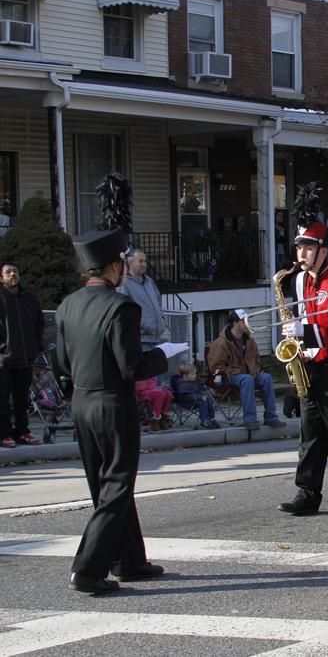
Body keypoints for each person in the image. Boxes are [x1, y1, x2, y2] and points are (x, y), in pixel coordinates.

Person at [56, 226, 187, 594]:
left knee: (106, 484)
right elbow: (132, 366)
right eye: (123, 264)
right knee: (117, 485)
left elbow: (62, 361)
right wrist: (163, 355)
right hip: (114, 402)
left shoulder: (67, 305)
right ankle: (88, 568)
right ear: (114, 266)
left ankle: (127, 560)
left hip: (82, 402)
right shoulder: (120, 306)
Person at [277, 219, 328, 516]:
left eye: (309, 248)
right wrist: (297, 341)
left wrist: (304, 333)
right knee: (309, 432)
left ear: (324, 251)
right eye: (299, 247)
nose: (301, 253)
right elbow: (302, 317)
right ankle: (307, 492)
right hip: (311, 363)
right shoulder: (300, 280)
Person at [207, 309, 284, 431]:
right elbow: (215, 367)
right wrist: (234, 372)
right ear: (235, 323)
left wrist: (256, 369)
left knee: (266, 378)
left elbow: (257, 359)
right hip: (227, 378)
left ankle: (271, 417)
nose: (247, 324)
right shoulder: (221, 343)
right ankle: (250, 420)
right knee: (247, 379)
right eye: (244, 321)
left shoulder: (249, 340)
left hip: (248, 375)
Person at [0, 263, 43, 448]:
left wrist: (36, 346)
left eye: (15, 271)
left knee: (22, 399)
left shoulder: (30, 299)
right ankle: (4, 434)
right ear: (1, 278)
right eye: (8, 272)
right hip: (4, 360)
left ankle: (22, 432)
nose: (12, 275)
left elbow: (39, 323)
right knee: (2, 400)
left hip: (26, 359)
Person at [120, 249, 167, 351]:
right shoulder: (125, 285)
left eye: (145, 261)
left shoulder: (149, 281)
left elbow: (158, 301)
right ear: (130, 263)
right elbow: (124, 310)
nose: (144, 264)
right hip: (140, 341)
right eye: (140, 261)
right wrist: (141, 324)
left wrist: (162, 320)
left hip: (157, 338)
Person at [171, 362, 219, 430]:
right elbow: (186, 396)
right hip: (185, 402)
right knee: (203, 401)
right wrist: (200, 397)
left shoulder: (193, 381)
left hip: (194, 400)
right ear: (185, 376)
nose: (195, 375)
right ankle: (205, 421)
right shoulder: (182, 384)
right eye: (193, 374)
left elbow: (200, 388)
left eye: (195, 373)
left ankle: (211, 419)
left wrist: (209, 391)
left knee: (208, 399)